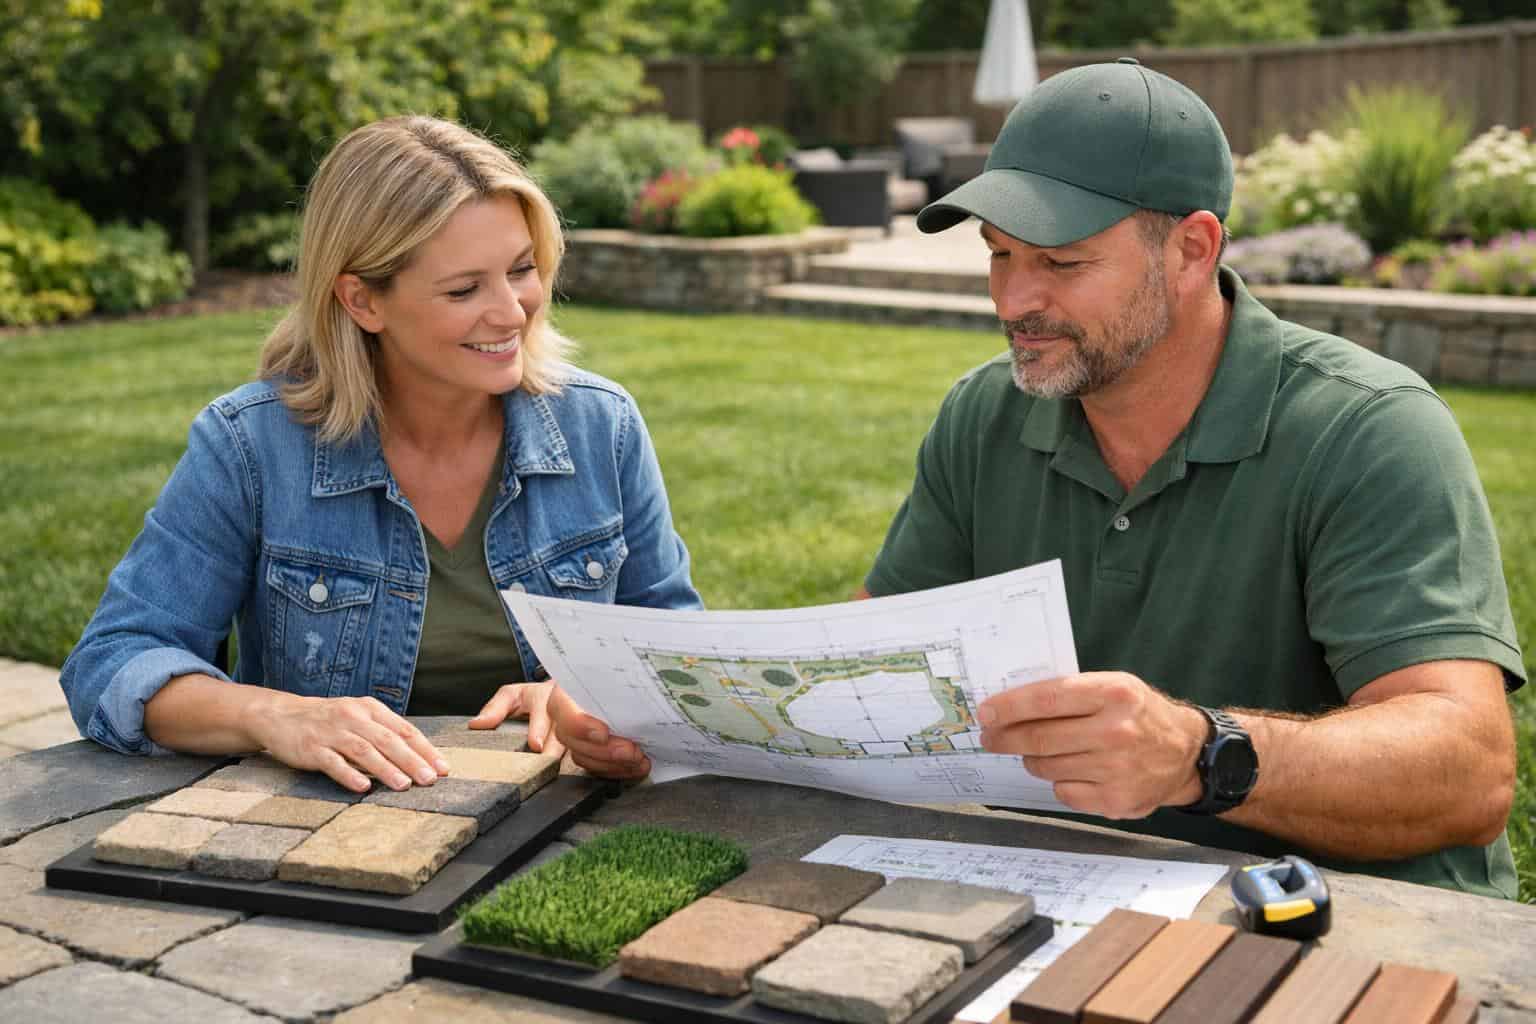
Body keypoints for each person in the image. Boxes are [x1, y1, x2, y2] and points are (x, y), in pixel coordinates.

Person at [551, 60, 1526, 899]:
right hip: (1063, 889)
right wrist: (662, 723)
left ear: (1192, 249)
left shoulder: (1367, 430)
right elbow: (863, 681)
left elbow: (1469, 769)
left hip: (1333, 924)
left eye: (1061, 262)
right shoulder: (986, 415)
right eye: (1000, 257)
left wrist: (1199, 753)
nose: (1016, 301)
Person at [60, 115, 701, 794]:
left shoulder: (602, 425)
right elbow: (113, 661)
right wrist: (276, 716)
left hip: (561, 826)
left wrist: (589, 698)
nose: (512, 312)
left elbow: (678, 642)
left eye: (521, 270)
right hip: (322, 836)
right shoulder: (250, 446)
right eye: (464, 289)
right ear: (363, 299)